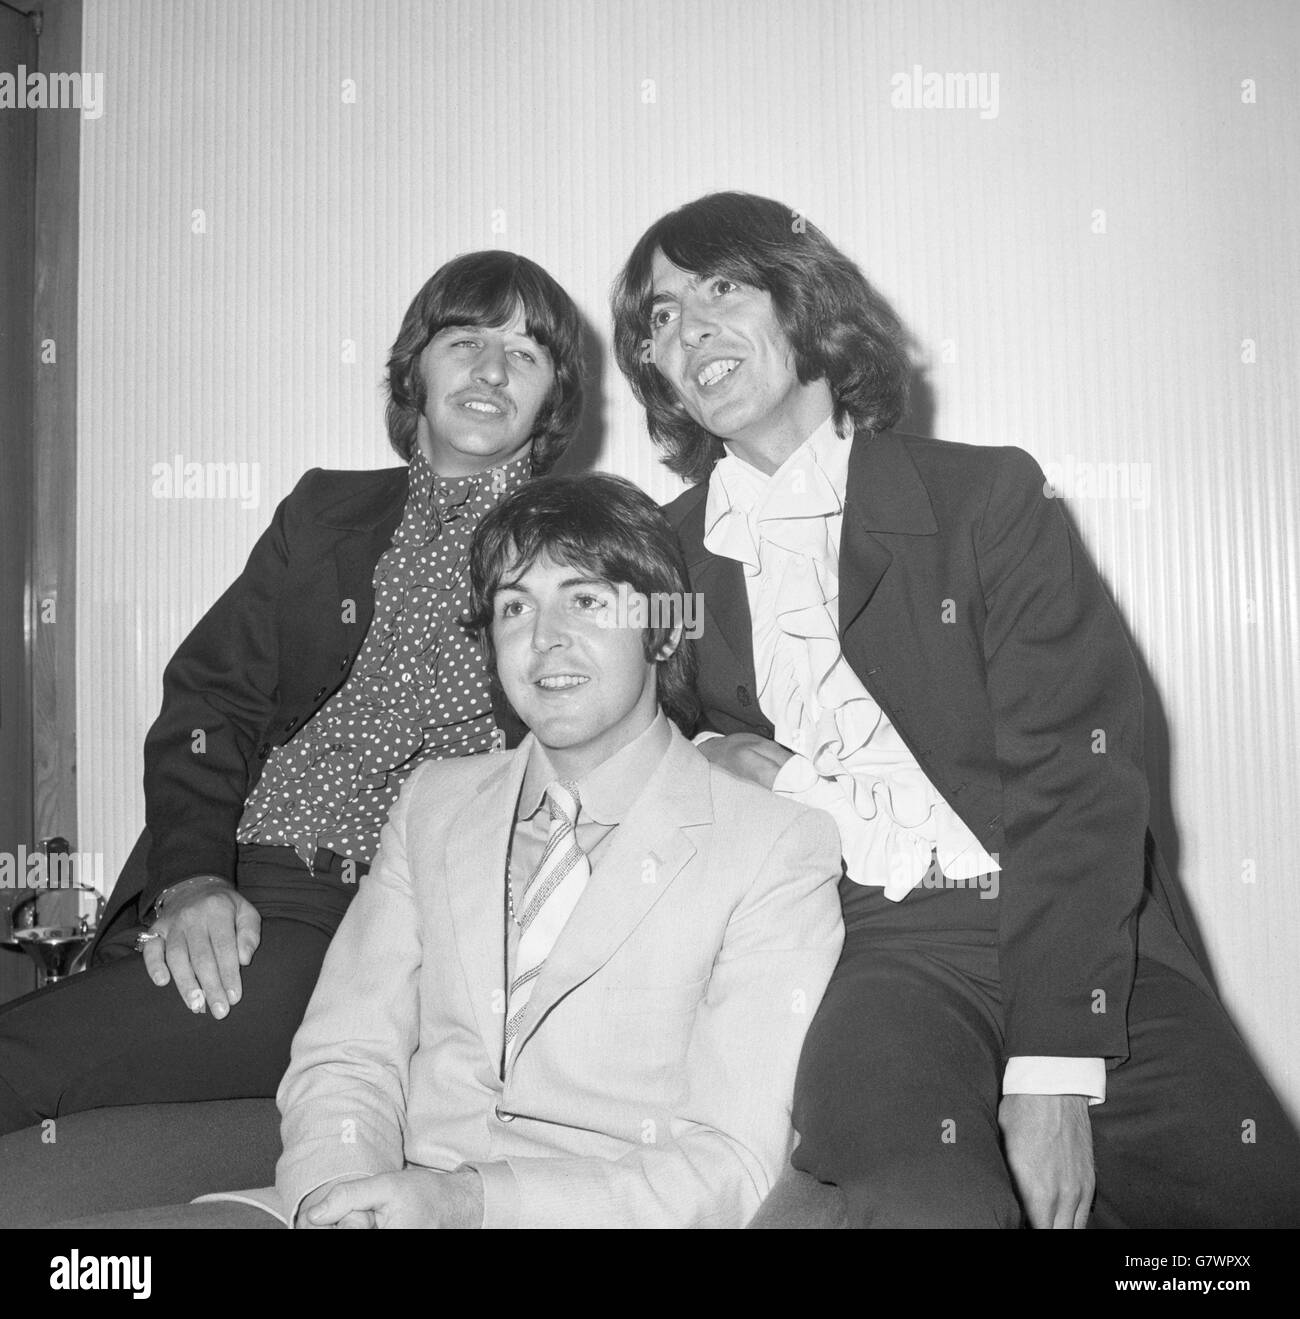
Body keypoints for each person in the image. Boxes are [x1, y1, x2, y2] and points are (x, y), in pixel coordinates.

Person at [610, 190, 1300, 1228]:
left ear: (800, 301)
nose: (688, 326)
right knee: (916, 1196)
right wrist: (702, 749)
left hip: (1069, 930)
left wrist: (1053, 1068)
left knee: (1250, 1202)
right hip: (873, 947)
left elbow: (1082, 778)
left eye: (717, 287)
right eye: (657, 316)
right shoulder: (660, 553)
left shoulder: (984, 497)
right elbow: (602, 733)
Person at [93, 473, 841, 1228]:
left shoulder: (774, 846)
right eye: (515, 606)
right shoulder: (435, 804)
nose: (544, 637)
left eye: (585, 599)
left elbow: (731, 1166)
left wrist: (470, 1203)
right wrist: (344, 1193)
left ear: (666, 630)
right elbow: (345, 1056)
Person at [0, 251, 585, 1136]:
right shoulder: (321, 515)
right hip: (232, 869)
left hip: (376, 915)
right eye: (466, 339)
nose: (493, 370)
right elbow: (210, 702)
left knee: (34, 1060)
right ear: (417, 369)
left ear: (551, 401)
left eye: (527, 353)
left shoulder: (576, 552)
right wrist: (194, 877)